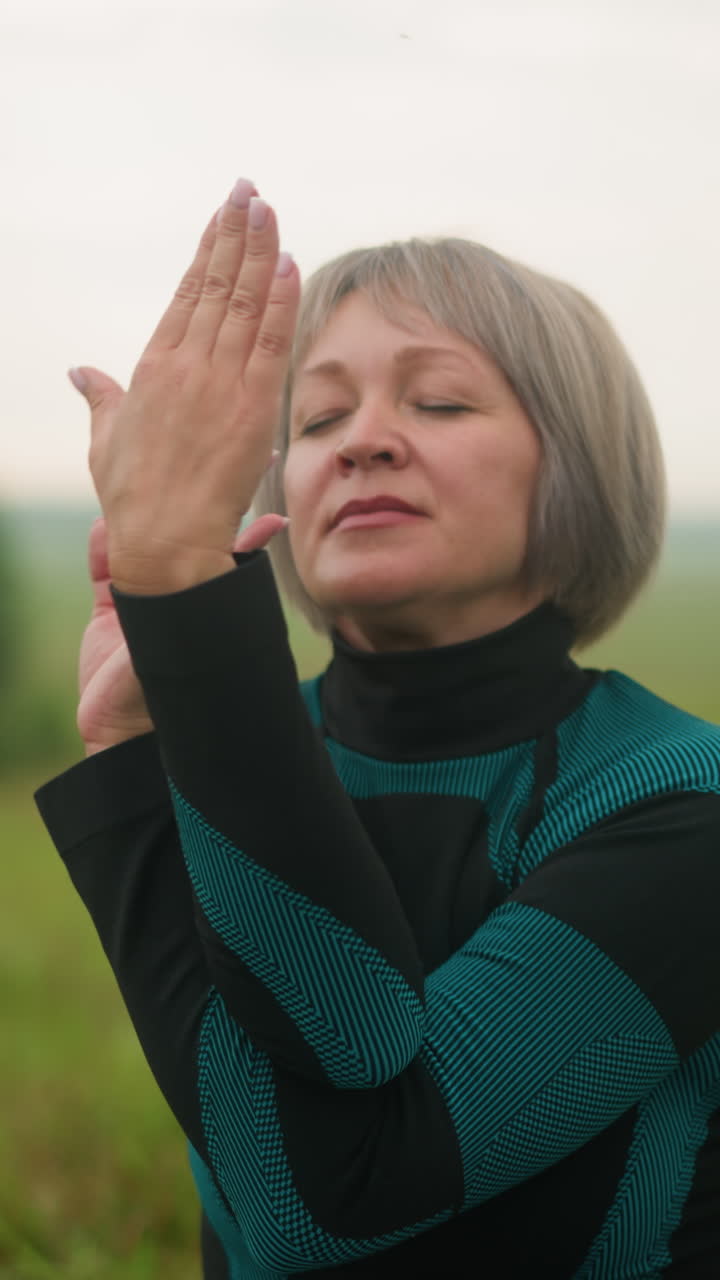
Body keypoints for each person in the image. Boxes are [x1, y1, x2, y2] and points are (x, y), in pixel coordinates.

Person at [36, 176, 720, 1279]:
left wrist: (188, 605)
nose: (364, 441)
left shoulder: (683, 800)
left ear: (577, 467)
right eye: (315, 417)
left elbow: (330, 1202)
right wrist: (131, 756)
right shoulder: (231, 751)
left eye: (439, 401)